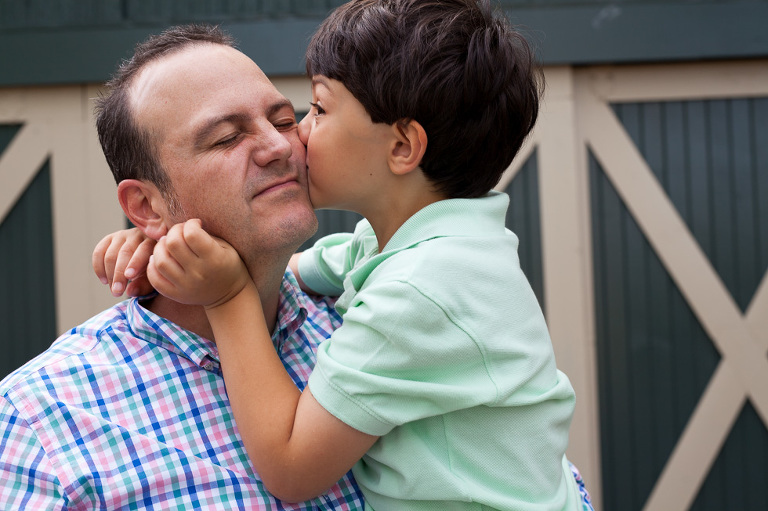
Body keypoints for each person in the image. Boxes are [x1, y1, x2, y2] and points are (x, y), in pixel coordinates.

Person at [127, 1, 589, 509]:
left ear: (401, 148)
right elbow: (302, 270)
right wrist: (163, 244)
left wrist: (229, 294)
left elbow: (291, 468)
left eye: (320, 109)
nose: (297, 134)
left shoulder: (420, 292)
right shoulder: (422, 247)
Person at [0, 24, 365, 510]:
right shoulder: (41, 422)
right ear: (147, 207)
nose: (279, 147)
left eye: (282, 120)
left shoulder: (367, 318)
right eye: (226, 138)